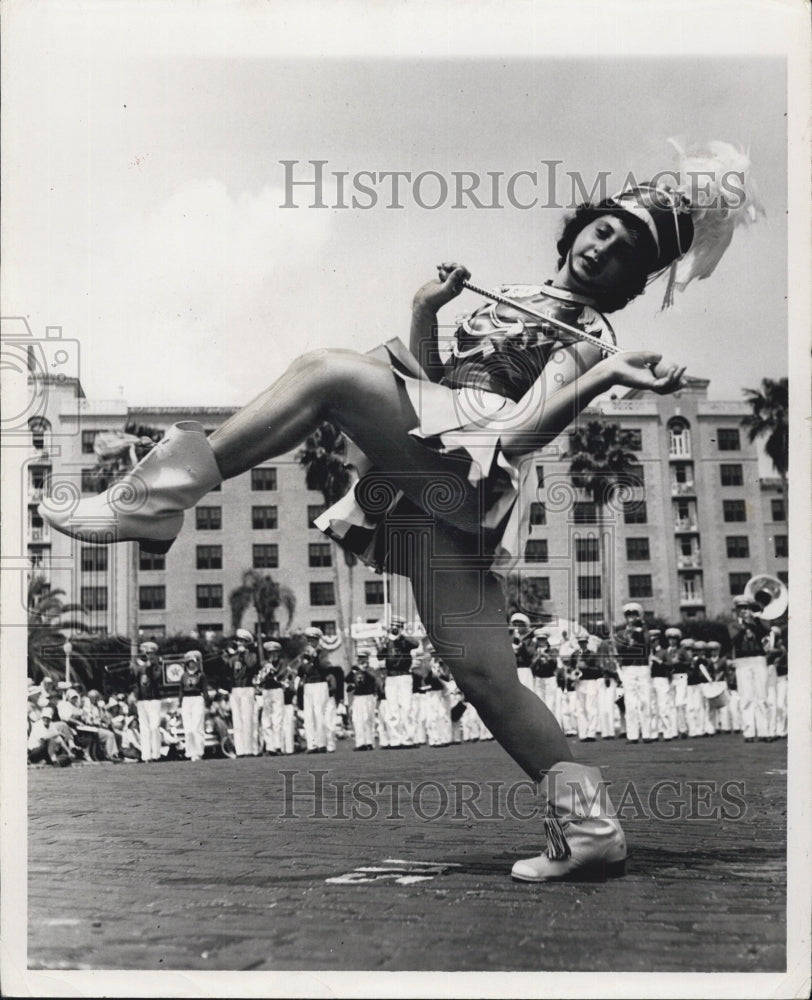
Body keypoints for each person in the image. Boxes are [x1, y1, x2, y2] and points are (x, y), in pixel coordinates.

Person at [39, 178, 709, 882]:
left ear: (632, 280)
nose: (603, 248)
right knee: (487, 677)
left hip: (468, 466)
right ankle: (591, 828)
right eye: (602, 229)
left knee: (322, 371)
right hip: (437, 458)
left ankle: (152, 499)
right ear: (577, 229)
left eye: (625, 251)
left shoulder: (592, 337)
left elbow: (515, 435)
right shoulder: (519, 294)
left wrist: (602, 377)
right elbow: (431, 383)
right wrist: (425, 308)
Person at [730, 596, 771, 742]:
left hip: (758, 659)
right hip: (742, 660)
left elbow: (767, 630)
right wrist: (744, 626)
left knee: (762, 696)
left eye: (746, 608)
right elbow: (734, 639)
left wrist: (755, 619)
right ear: (736, 610)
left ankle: (764, 731)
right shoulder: (733, 624)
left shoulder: (757, 622)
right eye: (740, 609)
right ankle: (748, 732)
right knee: (746, 697)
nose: (743, 611)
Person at [376, 617, 419, 749]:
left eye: (397, 627)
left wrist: (401, 636)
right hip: (391, 677)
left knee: (406, 707)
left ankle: (408, 739)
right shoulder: (388, 640)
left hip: (404, 675)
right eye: (393, 627)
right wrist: (383, 643)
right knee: (392, 709)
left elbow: (416, 644)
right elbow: (379, 656)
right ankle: (395, 739)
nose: (395, 629)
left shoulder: (405, 641)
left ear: (401, 627)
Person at [615, 603, 653, 744]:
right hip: (628, 668)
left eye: (634, 615)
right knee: (630, 702)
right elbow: (619, 649)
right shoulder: (621, 633)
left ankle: (648, 734)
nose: (631, 618)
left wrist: (638, 632)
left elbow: (647, 644)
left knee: (645, 701)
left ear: (639, 616)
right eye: (629, 615)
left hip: (642, 667)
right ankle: (632, 735)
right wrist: (628, 635)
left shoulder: (644, 631)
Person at [224, 628, 260, 757]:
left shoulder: (252, 655)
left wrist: (244, 654)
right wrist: (229, 656)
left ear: (247, 643)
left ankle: (249, 749)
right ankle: (240, 750)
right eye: (238, 641)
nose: (239, 643)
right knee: (237, 720)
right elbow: (228, 669)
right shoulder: (234, 657)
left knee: (247, 719)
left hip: (247, 688)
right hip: (235, 689)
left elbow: (251, 665)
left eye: (242, 641)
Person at [132, 641, 164, 762]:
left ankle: (156, 754)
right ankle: (146, 756)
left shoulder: (157, 666)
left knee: (154, 727)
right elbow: (135, 679)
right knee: (144, 728)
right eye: (145, 653)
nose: (147, 655)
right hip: (141, 700)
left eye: (150, 653)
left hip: (154, 699)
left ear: (154, 654)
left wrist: (150, 666)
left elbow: (157, 678)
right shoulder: (139, 666)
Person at [570, 632, 602, 742]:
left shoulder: (592, 654)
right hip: (579, 682)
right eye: (580, 642)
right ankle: (583, 733)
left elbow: (598, 670)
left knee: (591, 707)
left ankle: (591, 733)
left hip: (591, 681)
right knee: (580, 709)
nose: (582, 644)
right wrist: (573, 673)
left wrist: (586, 667)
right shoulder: (575, 654)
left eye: (584, 642)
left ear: (587, 642)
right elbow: (570, 668)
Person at [256, 640, 285, 755]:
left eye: (274, 653)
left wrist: (272, 670)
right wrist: (265, 669)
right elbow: (260, 677)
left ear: (278, 653)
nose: (272, 655)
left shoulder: (281, 663)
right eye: (270, 653)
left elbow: (282, 676)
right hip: (266, 691)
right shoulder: (265, 663)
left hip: (277, 690)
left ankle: (278, 746)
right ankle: (270, 746)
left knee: (277, 719)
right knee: (266, 719)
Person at [347, 650, 379, 751]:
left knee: (367, 719)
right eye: (360, 658)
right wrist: (354, 671)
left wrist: (364, 671)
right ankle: (360, 743)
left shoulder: (370, 670)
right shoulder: (355, 670)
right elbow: (347, 680)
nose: (361, 660)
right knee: (357, 720)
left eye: (363, 658)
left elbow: (372, 680)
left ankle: (369, 742)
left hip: (368, 696)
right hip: (358, 697)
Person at [178, 650, 207, 761]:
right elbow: (181, 690)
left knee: (197, 727)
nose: (192, 664)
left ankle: (199, 752)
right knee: (188, 729)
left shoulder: (201, 675)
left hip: (197, 699)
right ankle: (190, 752)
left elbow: (204, 690)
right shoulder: (183, 676)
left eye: (194, 662)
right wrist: (180, 704)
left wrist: (206, 702)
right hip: (186, 700)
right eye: (190, 662)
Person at [510, 613, 536, 691]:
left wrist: (521, 646)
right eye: (515, 624)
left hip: (524, 671)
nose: (517, 627)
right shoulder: (510, 640)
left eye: (520, 625)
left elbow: (530, 655)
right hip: (512, 671)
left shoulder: (530, 641)